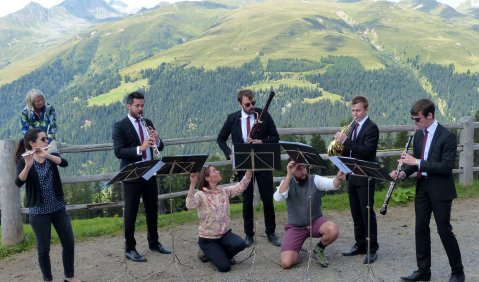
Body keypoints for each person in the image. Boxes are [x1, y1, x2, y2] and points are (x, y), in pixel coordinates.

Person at [391, 99, 465, 282]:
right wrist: (402, 174)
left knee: (443, 229)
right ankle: (423, 271)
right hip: (422, 186)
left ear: (430, 116)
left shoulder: (447, 136)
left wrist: (416, 162)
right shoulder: (418, 135)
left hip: (441, 189)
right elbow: (415, 163)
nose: (415, 123)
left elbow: (445, 167)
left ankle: (458, 272)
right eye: (413, 119)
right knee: (420, 228)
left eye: (418, 119)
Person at [14, 128, 82, 282]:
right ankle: (48, 279)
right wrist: (28, 165)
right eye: (43, 139)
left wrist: (48, 155)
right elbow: (18, 182)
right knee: (44, 249)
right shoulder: (23, 161)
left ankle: (69, 277)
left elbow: (64, 163)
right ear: (32, 143)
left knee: (69, 242)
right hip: (39, 212)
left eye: (47, 139)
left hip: (58, 208)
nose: (47, 141)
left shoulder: (50, 156)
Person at [217, 89, 281, 247]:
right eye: (248, 104)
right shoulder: (233, 118)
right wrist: (229, 154)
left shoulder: (263, 114)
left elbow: (275, 137)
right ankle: (248, 234)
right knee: (246, 200)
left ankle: (271, 232)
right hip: (244, 165)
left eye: (253, 103)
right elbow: (221, 139)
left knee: (267, 199)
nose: (252, 106)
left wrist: (261, 142)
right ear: (240, 103)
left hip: (263, 163)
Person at [112, 91, 171, 262]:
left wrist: (157, 140)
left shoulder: (148, 122)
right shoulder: (120, 126)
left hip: (150, 171)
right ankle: (130, 248)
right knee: (131, 212)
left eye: (142, 106)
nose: (140, 109)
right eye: (137, 106)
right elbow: (119, 151)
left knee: (152, 209)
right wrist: (141, 148)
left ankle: (154, 242)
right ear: (128, 106)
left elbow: (160, 146)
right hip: (132, 173)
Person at [274, 160, 346, 269]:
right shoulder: (287, 182)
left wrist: (338, 179)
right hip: (296, 227)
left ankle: (319, 249)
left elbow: (332, 184)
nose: (304, 171)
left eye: (304, 168)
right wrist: (289, 175)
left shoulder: (315, 179)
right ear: (292, 170)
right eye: (299, 169)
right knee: (286, 263)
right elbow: (278, 198)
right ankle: (296, 248)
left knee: (333, 229)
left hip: (315, 222)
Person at [334, 95, 379, 264]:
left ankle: (372, 247)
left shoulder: (372, 128)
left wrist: (346, 141)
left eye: (358, 110)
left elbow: (366, 151)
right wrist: (342, 159)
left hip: (365, 175)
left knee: (367, 212)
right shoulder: (352, 127)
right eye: (353, 110)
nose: (355, 114)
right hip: (352, 174)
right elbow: (349, 151)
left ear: (366, 109)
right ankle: (360, 244)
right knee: (356, 212)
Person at [186, 166, 252, 272]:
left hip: (224, 234)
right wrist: (193, 183)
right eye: (214, 171)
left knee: (241, 244)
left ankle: (218, 254)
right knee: (224, 267)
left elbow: (240, 187)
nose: (218, 171)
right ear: (207, 178)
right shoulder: (200, 194)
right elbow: (190, 205)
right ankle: (207, 253)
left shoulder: (223, 191)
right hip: (208, 240)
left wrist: (249, 171)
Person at [21, 89, 59, 154]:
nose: (41, 102)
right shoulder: (26, 112)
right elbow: (25, 130)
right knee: (31, 155)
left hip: (48, 139)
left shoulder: (49, 109)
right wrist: (34, 143)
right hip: (33, 142)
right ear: (32, 102)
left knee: (52, 152)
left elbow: (53, 128)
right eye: (37, 101)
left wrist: (46, 141)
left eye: (42, 99)